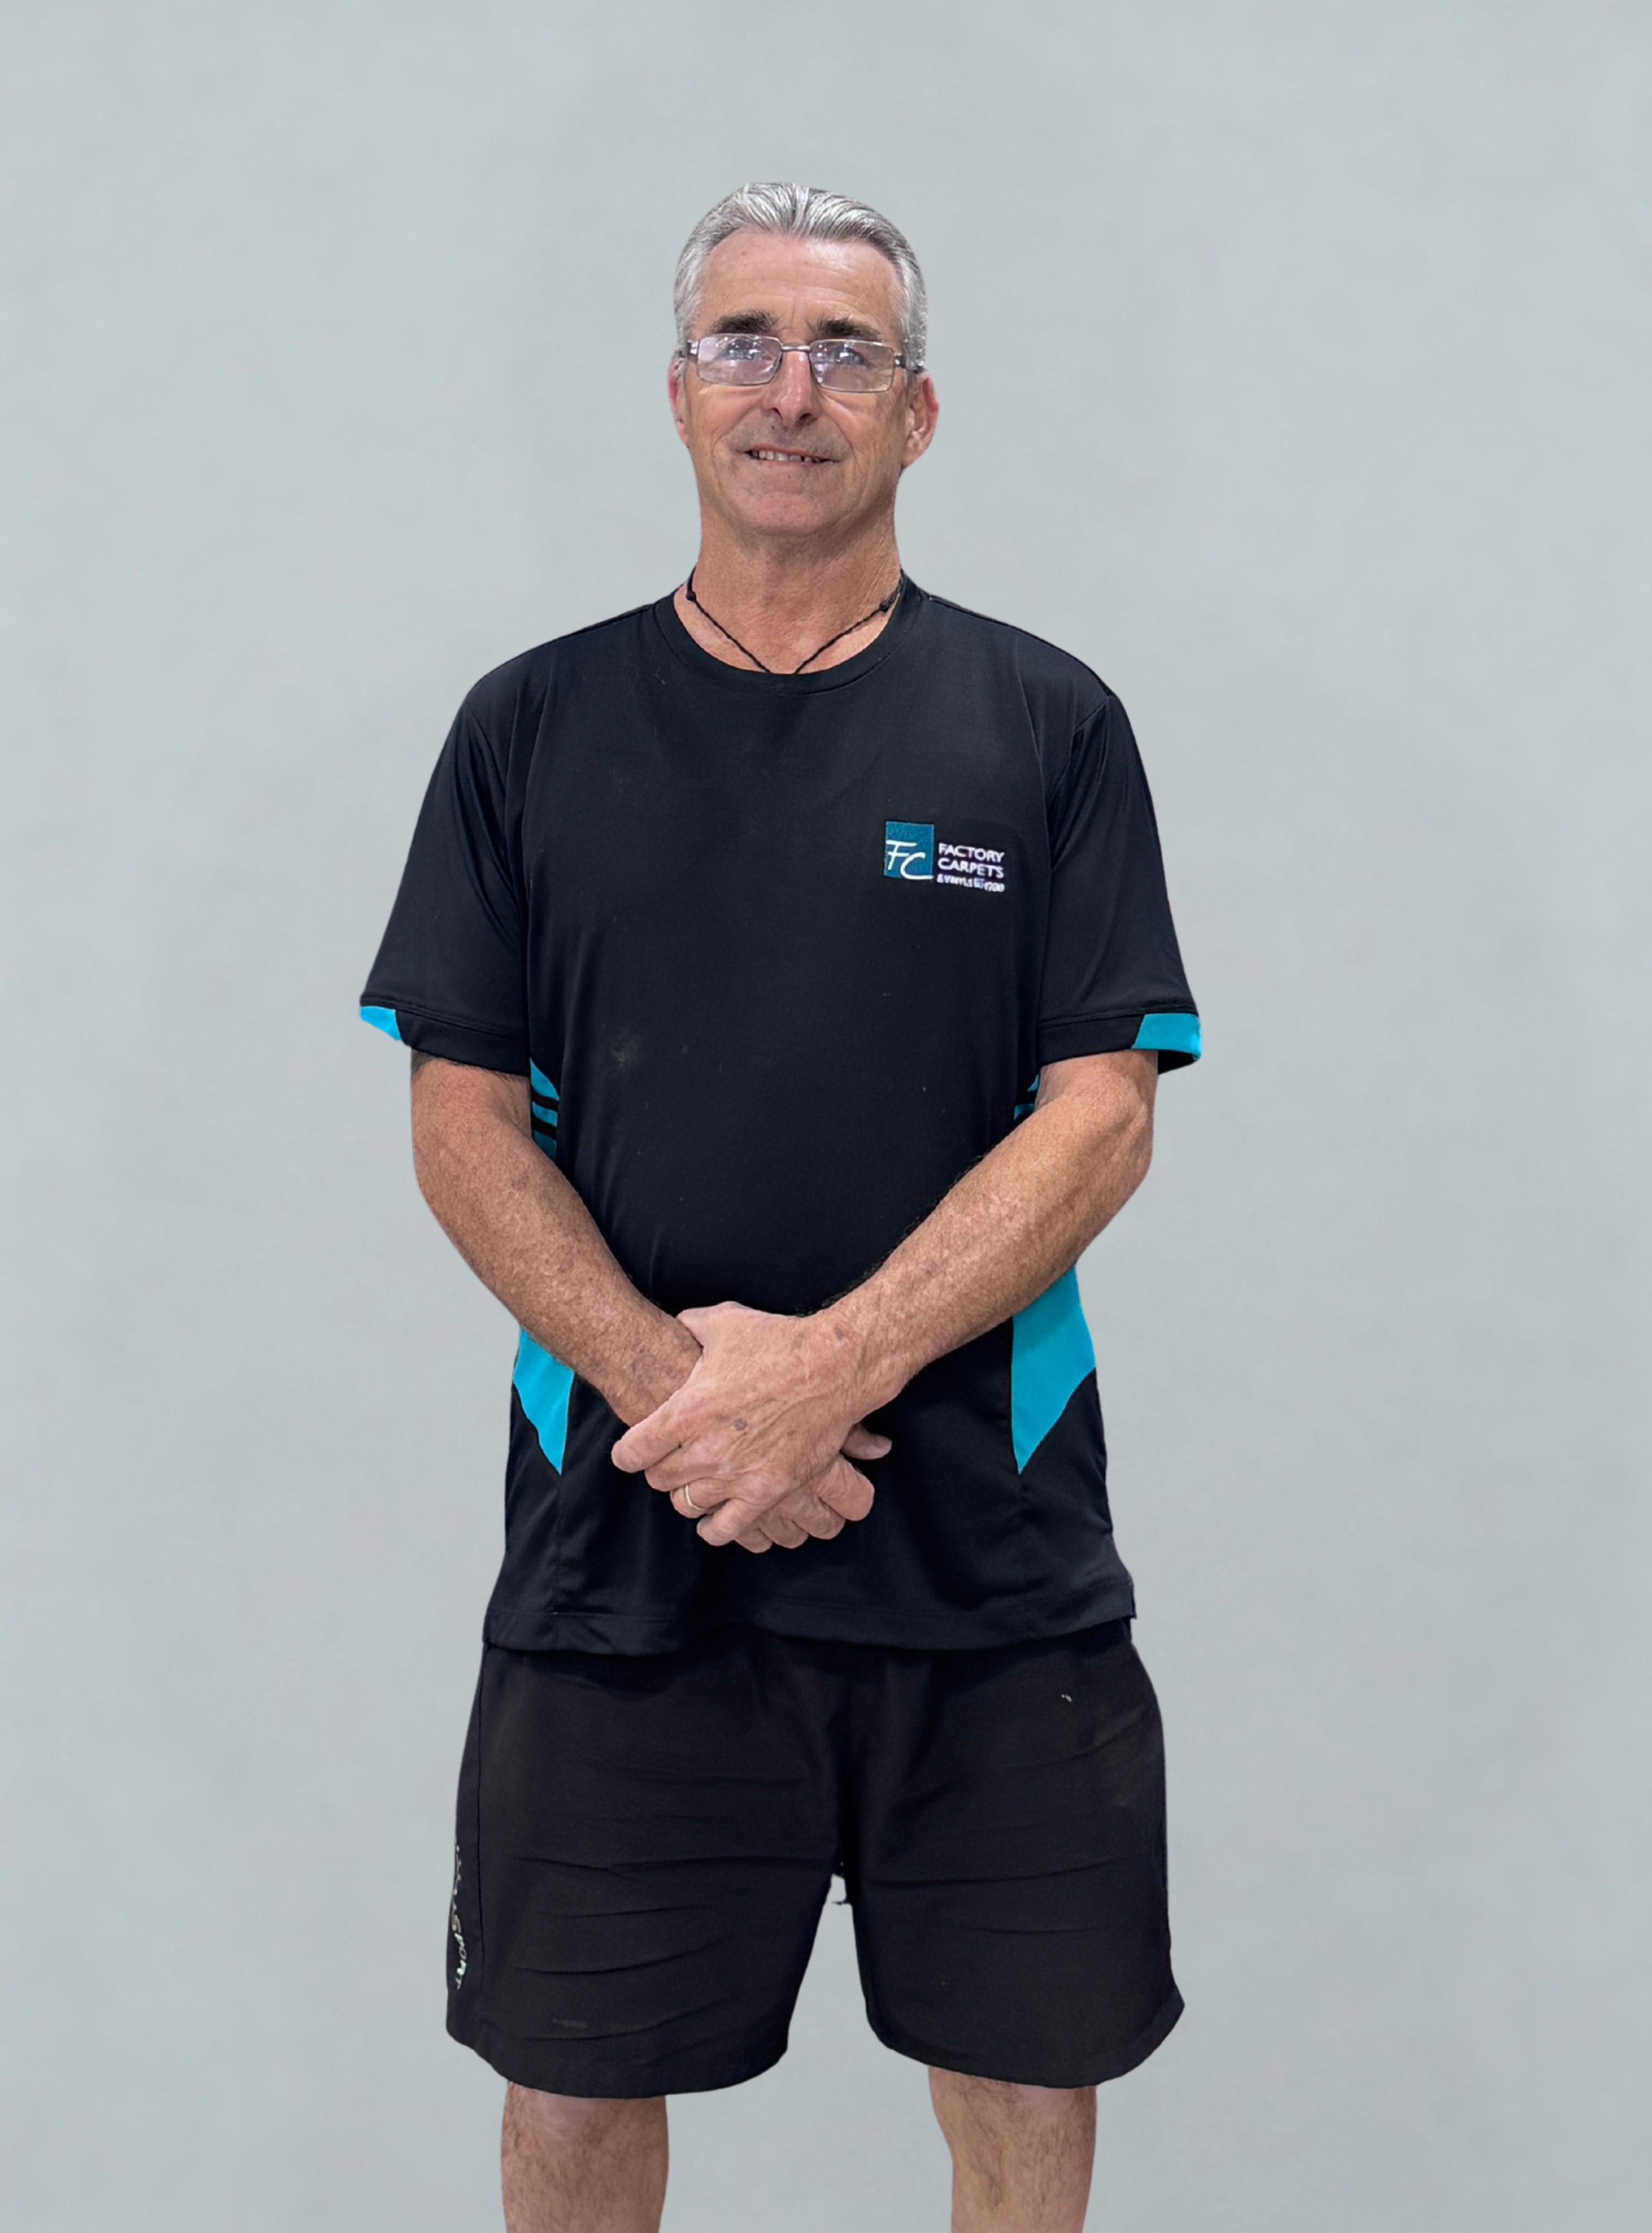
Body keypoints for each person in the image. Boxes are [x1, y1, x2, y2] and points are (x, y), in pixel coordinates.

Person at [360, 180, 1200, 2233]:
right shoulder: (529, 729)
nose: (791, 391)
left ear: (921, 415)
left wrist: (824, 1372)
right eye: (743, 342)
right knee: (573, 2082)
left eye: (846, 352)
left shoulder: (1044, 723)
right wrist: (692, 1400)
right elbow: (461, 1118)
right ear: (675, 394)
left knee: (1025, 2079)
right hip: (621, 1554)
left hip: (986, 1556)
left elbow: (1099, 1115)